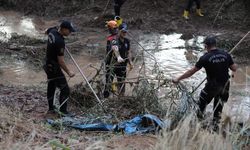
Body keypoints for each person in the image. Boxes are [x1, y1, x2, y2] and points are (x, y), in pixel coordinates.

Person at [173, 36, 237, 127]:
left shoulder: (205, 58)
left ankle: (199, 125)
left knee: (202, 104)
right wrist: (226, 62)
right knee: (219, 106)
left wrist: (178, 78)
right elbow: (234, 68)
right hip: (225, 85)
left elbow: (191, 71)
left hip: (212, 86)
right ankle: (215, 126)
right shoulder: (226, 54)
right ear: (215, 44)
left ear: (205, 46)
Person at [43, 21, 76, 115]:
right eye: (69, 30)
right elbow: (61, 61)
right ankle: (63, 111)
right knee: (65, 89)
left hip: (47, 64)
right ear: (64, 29)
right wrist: (69, 72)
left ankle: (51, 109)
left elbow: (46, 31)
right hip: (54, 67)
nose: (70, 32)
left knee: (51, 85)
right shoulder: (60, 41)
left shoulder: (52, 31)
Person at [103, 22, 133, 98]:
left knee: (122, 83)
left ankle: (121, 99)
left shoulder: (127, 41)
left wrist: (130, 62)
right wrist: (118, 57)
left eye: (125, 31)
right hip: (111, 65)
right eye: (122, 31)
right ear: (119, 31)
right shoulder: (114, 39)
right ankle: (105, 100)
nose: (124, 33)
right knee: (108, 83)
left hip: (122, 66)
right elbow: (114, 48)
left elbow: (129, 52)